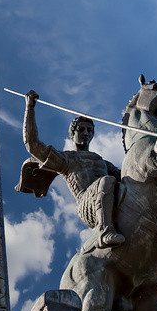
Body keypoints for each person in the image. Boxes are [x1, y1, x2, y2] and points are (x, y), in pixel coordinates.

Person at [21, 90, 124, 248]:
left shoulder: (101, 161)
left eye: (89, 131)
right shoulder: (66, 159)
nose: (86, 133)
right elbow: (32, 145)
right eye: (81, 129)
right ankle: (104, 232)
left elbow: (124, 177)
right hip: (86, 205)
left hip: (109, 198)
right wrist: (30, 108)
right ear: (72, 134)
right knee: (107, 181)